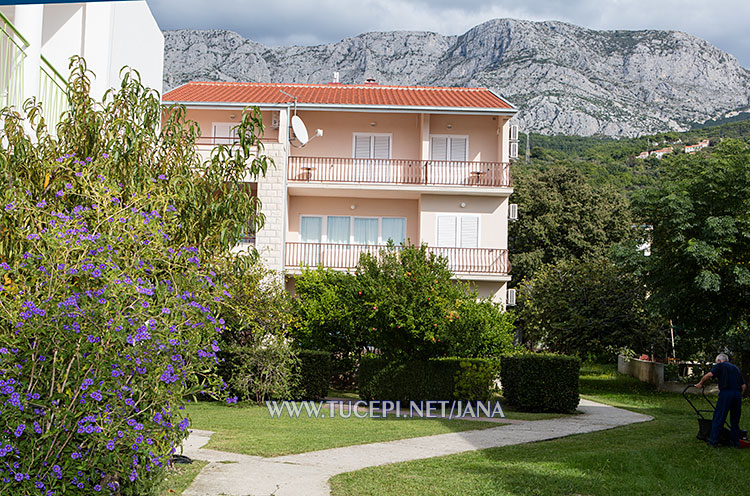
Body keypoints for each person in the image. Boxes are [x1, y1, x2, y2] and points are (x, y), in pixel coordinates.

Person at [695, 353, 747, 447]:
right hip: (737, 394)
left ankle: (713, 441)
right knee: (735, 420)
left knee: (719, 417)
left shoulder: (720, 366)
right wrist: (738, 396)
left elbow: (709, 375)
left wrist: (700, 383)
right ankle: (735, 442)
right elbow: (743, 386)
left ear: (719, 360)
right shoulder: (736, 368)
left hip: (726, 393)